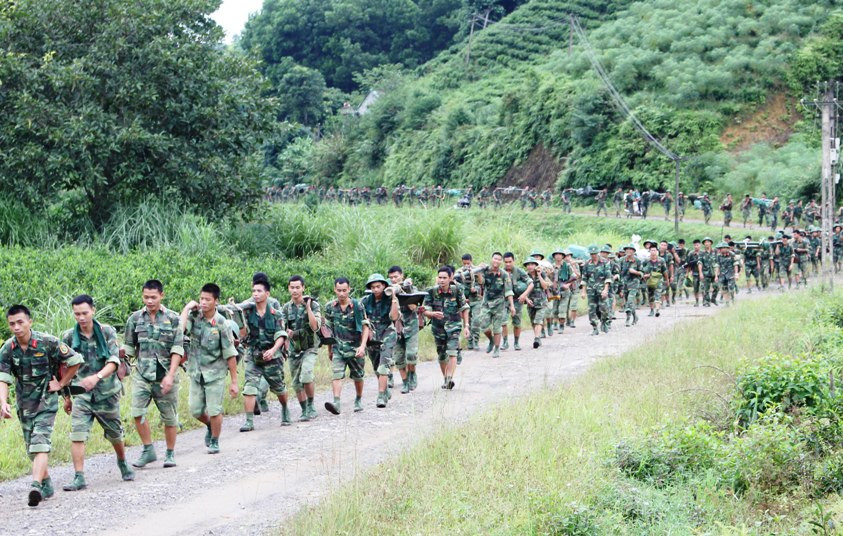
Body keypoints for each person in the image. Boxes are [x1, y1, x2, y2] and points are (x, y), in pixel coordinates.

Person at [0, 305, 82, 507]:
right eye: (12, 324)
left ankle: (35, 486)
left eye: (20, 322)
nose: (16, 327)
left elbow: (75, 360)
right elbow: (3, 378)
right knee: (32, 449)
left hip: (46, 402)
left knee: (40, 442)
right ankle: (46, 484)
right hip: (24, 405)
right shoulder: (8, 349)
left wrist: (61, 384)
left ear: (30, 322)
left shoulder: (47, 342)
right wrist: (3, 402)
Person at [61, 295, 134, 492]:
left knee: (115, 435)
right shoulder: (68, 337)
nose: (81, 318)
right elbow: (64, 368)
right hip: (81, 395)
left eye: (85, 313)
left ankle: (122, 462)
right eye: (77, 314)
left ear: (93, 310)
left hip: (107, 392)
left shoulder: (106, 331)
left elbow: (114, 361)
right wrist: (66, 397)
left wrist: (97, 377)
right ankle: (79, 476)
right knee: (77, 434)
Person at [123, 279, 185, 469]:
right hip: (142, 374)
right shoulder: (135, 318)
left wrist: (171, 375)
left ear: (161, 296)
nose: (149, 301)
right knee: (137, 412)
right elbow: (129, 346)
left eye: (153, 297)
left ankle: (170, 452)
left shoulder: (173, 319)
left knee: (169, 417)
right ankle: (148, 449)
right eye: (146, 297)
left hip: (165, 374)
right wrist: (121, 365)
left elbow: (177, 349)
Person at [180, 283, 239, 454]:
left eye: (208, 299)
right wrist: (186, 308)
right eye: (201, 299)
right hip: (196, 373)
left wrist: (234, 382)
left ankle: (214, 440)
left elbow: (230, 353)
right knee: (195, 410)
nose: (203, 302)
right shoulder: (194, 317)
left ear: (216, 301)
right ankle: (209, 425)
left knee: (214, 410)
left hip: (215, 374)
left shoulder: (221, 323)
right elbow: (180, 330)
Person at [231, 278, 289, 432]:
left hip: (272, 358)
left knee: (279, 389)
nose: (255, 294)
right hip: (254, 356)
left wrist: (273, 350)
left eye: (259, 291)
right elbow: (243, 333)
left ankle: (285, 409)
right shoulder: (247, 313)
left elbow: (281, 335)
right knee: (249, 388)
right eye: (254, 291)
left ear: (267, 294)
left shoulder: (276, 314)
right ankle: (249, 421)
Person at [323, 277, 369, 414]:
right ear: (334, 290)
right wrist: (330, 349)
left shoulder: (357, 306)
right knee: (336, 375)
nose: (342, 293)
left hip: (355, 348)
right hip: (338, 347)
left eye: (344, 290)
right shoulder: (330, 307)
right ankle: (336, 402)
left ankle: (358, 399)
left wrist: (362, 346)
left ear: (349, 289)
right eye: (339, 290)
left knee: (358, 376)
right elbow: (329, 331)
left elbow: (365, 327)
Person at [280, 275, 322, 420]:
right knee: (297, 383)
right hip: (294, 349)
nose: (295, 290)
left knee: (306, 375)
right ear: (288, 288)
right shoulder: (286, 308)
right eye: (292, 287)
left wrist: (308, 307)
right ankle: (304, 410)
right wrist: (286, 335)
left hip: (310, 347)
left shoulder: (313, 305)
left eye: (298, 287)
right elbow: (282, 328)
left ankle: (311, 405)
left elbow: (315, 327)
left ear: (303, 288)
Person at [422, 267, 470, 389]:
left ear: (450, 278)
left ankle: (449, 378)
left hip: (454, 326)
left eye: (444, 278)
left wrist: (466, 326)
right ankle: (446, 379)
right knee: (442, 355)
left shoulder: (457, 290)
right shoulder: (431, 292)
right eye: (440, 277)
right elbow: (425, 310)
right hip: (438, 328)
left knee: (452, 351)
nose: (442, 280)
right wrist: (433, 314)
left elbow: (464, 308)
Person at [361, 273, 399, 408]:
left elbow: (394, 317)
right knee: (377, 367)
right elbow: (363, 320)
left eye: (378, 286)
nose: (376, 289)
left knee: (384, 366)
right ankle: (385, 389)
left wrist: (394, 298)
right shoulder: (365, 301)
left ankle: (381, 395)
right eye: (373, 287)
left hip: (387, 334)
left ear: (384, 286)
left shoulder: (390, 299)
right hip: (372, 337)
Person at [388, 267, 421, 393]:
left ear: (402, 275)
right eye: (391, 277)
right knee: (399, 358)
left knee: (411, 354)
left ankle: (412, 374)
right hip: (395, 329)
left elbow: (413, 308)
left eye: (396, 276)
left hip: (410, 326)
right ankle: (405, 382)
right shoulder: (388, 291)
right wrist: (392, 295)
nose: (394, 279)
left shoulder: (411, 289)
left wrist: (405, 291)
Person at [476, 252, 515, 358]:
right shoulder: (485, 270)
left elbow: (509, 291)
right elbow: (481, 282)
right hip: (486, 304)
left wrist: (512, 306)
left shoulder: (504, 274)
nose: (496, 261)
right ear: (491, 259)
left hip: (499, 305)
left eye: (499, 259)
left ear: (501, 261)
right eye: (495, 259)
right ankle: (491, 340)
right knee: (483, 325)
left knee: (497, 328)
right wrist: (479, 272)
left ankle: (497, 348)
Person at [501, 251, 530, 351]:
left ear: (513, 261)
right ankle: (505, 342)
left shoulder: (519, 271)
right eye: (506, 262)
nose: (508, 264)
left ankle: (516, 342)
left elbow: (531, 283)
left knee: (517, 323)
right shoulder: (500, 272)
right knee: (503, 322)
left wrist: (524, 295)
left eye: (510, 262)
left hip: (517, 300)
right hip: (504, 300)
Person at [581, 245, 612, 335]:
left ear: (598, 253)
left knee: (604, 308)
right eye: (591, 254)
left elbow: (608, 277)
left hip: (602, 289)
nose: (593, 255)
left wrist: (605, 290)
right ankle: (594, 327)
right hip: (591, 290)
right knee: (592, 309)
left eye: (595, 254)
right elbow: (584, 278)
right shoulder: (587, 264)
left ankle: (604, 323)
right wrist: (583, 291)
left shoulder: (605, 262)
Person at [454, 253, 483, 351]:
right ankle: (470, 341)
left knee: (476, 321)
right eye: (464, 263)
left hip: (476, 300)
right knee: (467, 321)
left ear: (471, 261)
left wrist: (476, 288)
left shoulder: (476, 270)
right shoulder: (459, 272)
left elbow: (481, 282)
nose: (466, 265)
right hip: (465, 301)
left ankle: (476, 341)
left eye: (468, 263)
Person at [522, 258, 550, 348]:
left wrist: (539, 275)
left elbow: (545, 286)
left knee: (538, 320)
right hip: (530, 302)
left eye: (532, 264)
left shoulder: (542, 273)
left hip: (541, 302)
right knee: (533, 321)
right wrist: (526, 299)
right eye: (528, 265)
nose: (530, 266)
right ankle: (538, 337)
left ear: (535, 265)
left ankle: (537, 338)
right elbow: (522, 290)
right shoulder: (524, 276)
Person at [619, 245, 643, 326]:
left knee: (630, 300)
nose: (629, 251)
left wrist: (635, 272)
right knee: (628, 302)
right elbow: (618, 271)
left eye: (630, 250)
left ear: (634, 251)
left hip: (634, 283)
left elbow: (642, 273)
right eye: (627, 249)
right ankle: (635, 316)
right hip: (624, 283)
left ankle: (628, 319)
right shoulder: (621, 260)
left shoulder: (637, 261)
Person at [641, 246, 668, 317]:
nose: (653, 252)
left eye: (654, 250)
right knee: (650, 296)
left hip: (658, 279)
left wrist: (667, 280)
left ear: (657, 251)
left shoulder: (661, 260)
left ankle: (657, 310)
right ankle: (652, 310)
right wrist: (644, 276)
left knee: (658, 295)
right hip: (649, 280)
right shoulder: (646, 261)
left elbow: (664, 271)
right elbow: (642, 270)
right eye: (652, 250)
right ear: (649, 251)